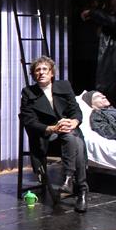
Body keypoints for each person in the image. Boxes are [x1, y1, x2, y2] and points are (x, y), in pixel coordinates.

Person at [20, 56, 89, 213]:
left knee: (72, 138)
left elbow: (76, 110)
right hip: (47, 138)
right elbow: (29, 121)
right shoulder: (28, 92)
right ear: (34, 74)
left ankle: (69, 179)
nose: (41, 72)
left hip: (68, 133)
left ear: (51, 73)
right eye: (37, 70)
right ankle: (81, 190)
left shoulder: (63, 86)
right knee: (76, 141)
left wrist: (74, 122)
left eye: (45, 69)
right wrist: (52, 128)